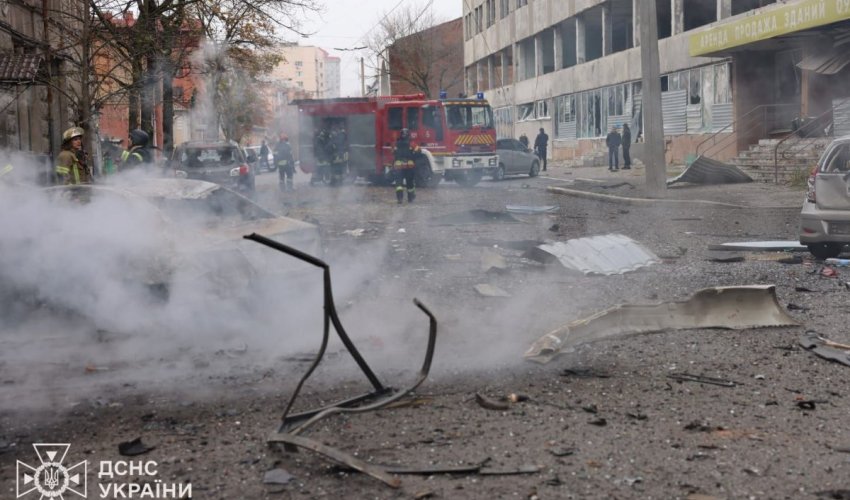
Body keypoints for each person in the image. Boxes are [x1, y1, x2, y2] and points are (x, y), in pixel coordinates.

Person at [393, 128, 419, 204]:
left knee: (399, 184)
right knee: (410, 183)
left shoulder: (396, 143)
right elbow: (419, 151)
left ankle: (399, 198)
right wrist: (413, 157)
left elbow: (393, 152)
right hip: (409, 166)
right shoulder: (412, 143)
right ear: (408, 135)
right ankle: (410, 198)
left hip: (399, 166)